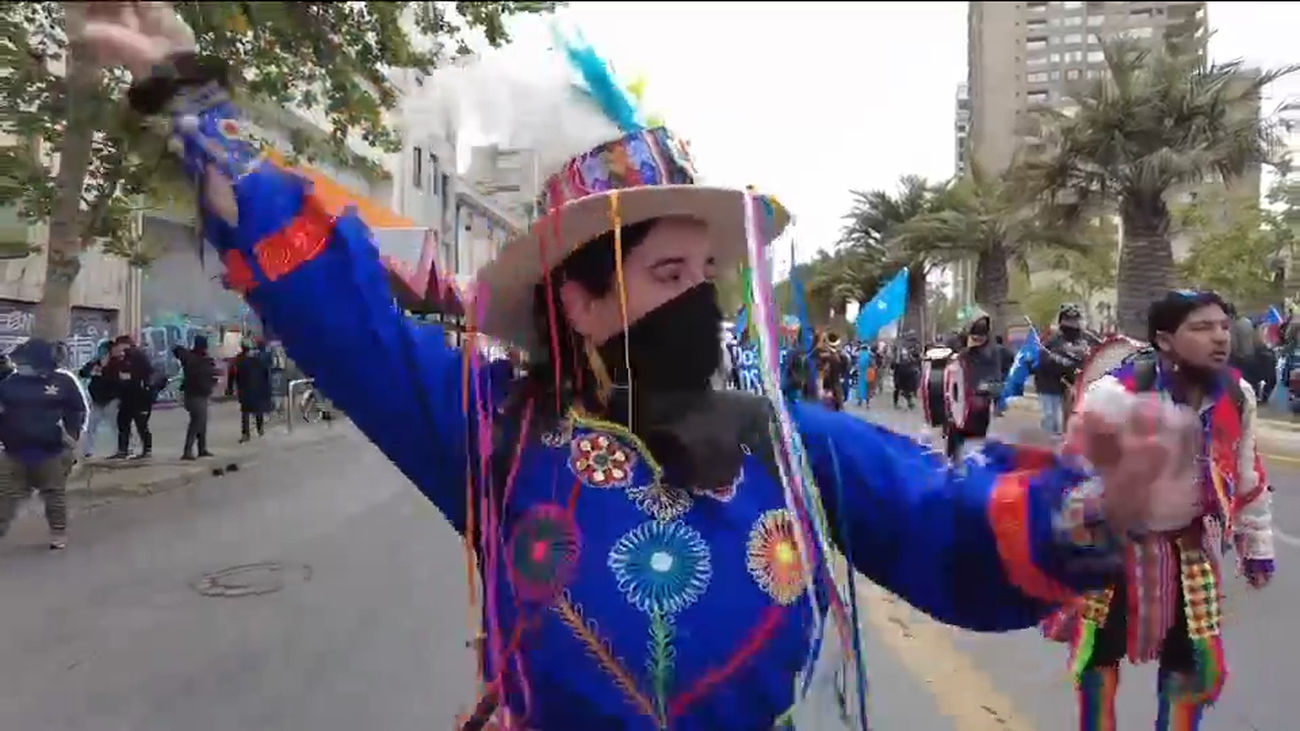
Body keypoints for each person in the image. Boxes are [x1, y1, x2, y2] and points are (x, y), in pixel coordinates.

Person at [85, 6, 1197, 727]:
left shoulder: (788, 441)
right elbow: (335, 308)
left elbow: (945, 521)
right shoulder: (492, 426)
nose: (702, 299)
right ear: (577, 297)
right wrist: (190, 98)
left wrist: (1098, 504)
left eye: (709, 271)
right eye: (669, 270)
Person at [1044, 291, 1275, 730]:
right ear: (1165, 340)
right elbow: (1071, 476)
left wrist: (1256, 544)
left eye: (1223, 326)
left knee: (1193, 669)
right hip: (1112, 547)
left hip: (1189, 549)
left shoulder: (1237, 396)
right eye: (1202, 328)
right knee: (1095, 660)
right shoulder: (1112, 396)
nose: (1220, 337)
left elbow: (1247, 477)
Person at [0, 339, 88, 550]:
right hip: (14, 451)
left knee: (53, 494)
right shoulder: (9, 384)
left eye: (24, 361)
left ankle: (58, 531)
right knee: (4, 495)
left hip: (51, 451)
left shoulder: (63, 382)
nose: (20, 365)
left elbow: (78, 409)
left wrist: (72, 438)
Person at [943, 315, 1006, 459]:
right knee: (955, 447)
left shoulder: (993, 353)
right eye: (974, 337)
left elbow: (996, 383)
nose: (976, 341)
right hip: (960, 406)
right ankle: (954, 469)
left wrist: (982, 390)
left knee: (971, 448)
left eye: (979, 338)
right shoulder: (963, 353)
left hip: (977, 408)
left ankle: (965, 471)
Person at [1035, 304, 1100, 435]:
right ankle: (1050, 447)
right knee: (1051, 418)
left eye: (1074, 320)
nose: (1071, 324)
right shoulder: (1052, 339)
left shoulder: (1089, 339)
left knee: (1079, 418)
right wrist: (1063, 363)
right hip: (1049, 383)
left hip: (1078, 383)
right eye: (1067, 320)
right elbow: (1043, 359)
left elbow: (1103, 351)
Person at [103, 335, 156, 460]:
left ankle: (146, 449)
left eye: (119, 345)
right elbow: (110, 373)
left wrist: (132, 376)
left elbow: (148, 372)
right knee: (123, 422)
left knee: (141, 424)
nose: (117, 349)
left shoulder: (137, 355)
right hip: (126, 397)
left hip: (140, 396)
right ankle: (123, 450)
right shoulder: (117, 359)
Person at [173, 334, 218, 459]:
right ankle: (188, 450)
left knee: (201, 422)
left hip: (199, 394)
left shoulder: (196, 358)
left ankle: (202, 448)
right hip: (195, 395)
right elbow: (177, 350)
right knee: (197, 422)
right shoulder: (194, 359)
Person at [227, 341, 272, 442]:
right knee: (257, 410)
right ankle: (260, 429)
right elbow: (266, 375)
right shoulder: (260, 360)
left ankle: (246, 433)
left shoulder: (238, 360)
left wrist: (230, 388)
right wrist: (267, 390)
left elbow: (233, 375)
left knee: (245, 412)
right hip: (257, 388)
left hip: (244, 389)